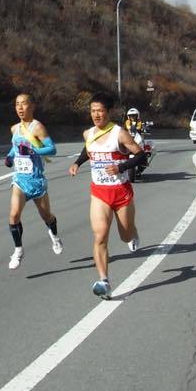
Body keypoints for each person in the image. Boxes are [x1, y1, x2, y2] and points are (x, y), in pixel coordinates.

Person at [68, 92, 145, 298]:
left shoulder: (120, 134)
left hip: (121, 192)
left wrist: (121, 167)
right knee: (100, 235)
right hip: (99, 192)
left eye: (100, 111)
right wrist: (77, 163)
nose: (96, 114)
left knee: (125, 235)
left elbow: (140, 155)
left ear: (109, 112)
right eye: (93, 111)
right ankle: (104, 281)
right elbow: (88, 150)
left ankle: (133, 232)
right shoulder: (88, 133)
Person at [4, 93, 63, 270]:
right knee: (14, 215)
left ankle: (54, 235)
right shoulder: (15, 129)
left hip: (36, 180)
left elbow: (52, 149)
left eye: (24, 104)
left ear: (32, 106)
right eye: (17, 104)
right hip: (20, 180)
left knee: (46, 216)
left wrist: (34, 152)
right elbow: (16, 148)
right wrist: (9, 156)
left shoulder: (38, 128)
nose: (20, 108)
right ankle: (18, 250)